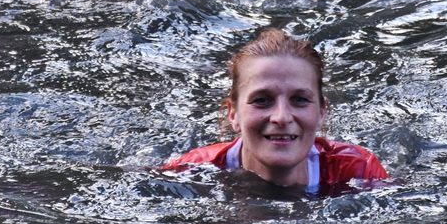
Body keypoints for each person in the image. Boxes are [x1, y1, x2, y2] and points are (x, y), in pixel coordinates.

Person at [164, 28, 386, 191]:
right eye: (262, 100)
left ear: (321, 113)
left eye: (299, 99)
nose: (281, 117)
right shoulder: (191, 172)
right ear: (234, 114)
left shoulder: (357, 172)